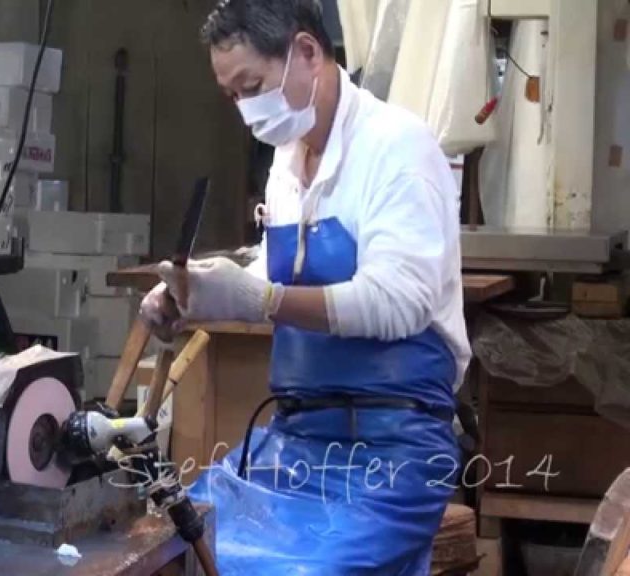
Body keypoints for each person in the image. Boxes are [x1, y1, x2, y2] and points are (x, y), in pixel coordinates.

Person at [139, 0, 471, 574]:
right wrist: (197, 297)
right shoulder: (287, 162)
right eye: (233, 96)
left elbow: (399, 301)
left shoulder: (397, 149)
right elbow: (277, 270)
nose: (246, 109)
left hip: (393, 455)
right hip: (291, 444)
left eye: (253, 86)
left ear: (308, 52)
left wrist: (259, 301)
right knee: (163, 545)